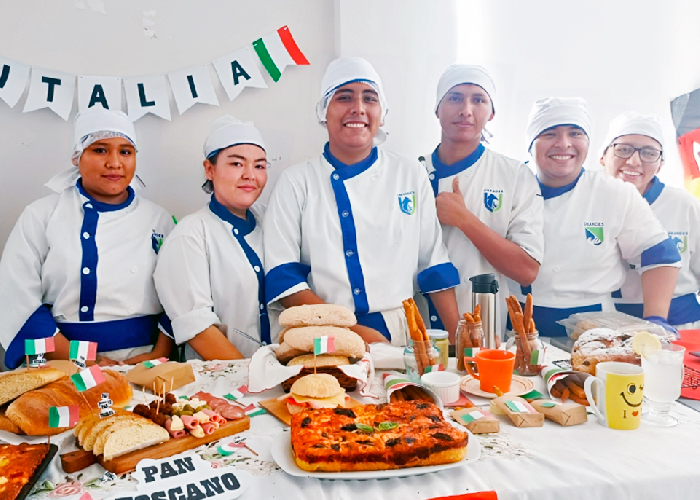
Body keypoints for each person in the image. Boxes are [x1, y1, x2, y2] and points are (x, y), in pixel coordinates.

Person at [263, 57, 460, 345]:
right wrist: (349, 332)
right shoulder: (296, 182)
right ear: (324, 112)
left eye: (369, 98)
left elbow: (433, 264)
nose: (358, 108)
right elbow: (284, 278)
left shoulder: (409, 174)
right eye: (344, 97)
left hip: (399, 332)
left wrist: (462, 340)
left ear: (381, 112)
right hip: (324, 331)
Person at [0, 108, 175, 369]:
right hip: (56, 360)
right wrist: (81, 358)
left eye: (125, 151)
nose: (115, 163)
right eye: (100, 150)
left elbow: (180, 295)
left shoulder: (159, 220)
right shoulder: (41, 215)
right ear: (77, 157)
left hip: (141, 360)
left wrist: (158, 355)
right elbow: (17, 297)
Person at [515, 97, 681, 337]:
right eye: (550, 134)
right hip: (517, 323)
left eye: (575, 133)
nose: (564, 144)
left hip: (596, 327)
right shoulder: (512, 186)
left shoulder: (613, 192)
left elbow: (659, 253)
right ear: (531, 143)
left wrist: (655, 319)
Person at [421, 65, 543, 338]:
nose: (466, 109)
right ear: (437, 109)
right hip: (415, 331)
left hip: (484, 331)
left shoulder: (514, 176)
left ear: (492, 112)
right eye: (454, 98)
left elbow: (526, 270)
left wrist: (464, 220)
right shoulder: (411, 174)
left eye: (478, 99)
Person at [154, 116, 270, 359]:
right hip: (221, 383)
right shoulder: (190, 236)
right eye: (237, 164)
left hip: (281, 376)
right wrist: (252, 378)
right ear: (209, 169)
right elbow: (198, 328)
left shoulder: (272, 222)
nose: (250, 175)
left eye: (259, 166)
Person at [600, 112, 700, 329]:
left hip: (681, 325)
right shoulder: (589, 204)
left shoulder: (685, 205)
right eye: (623, 149)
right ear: (603, 157)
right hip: (608, 323)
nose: (634, 161)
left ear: (661, 164)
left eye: (649, 153)